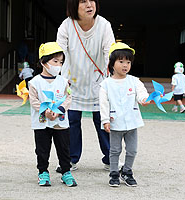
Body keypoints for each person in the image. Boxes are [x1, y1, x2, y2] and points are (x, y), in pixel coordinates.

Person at [56, 0, 115, 170]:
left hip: (99, 81)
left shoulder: (104, 25)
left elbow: (109, 52)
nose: (89, 5)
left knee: (101, 119)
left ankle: (110, 158)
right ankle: (71, 159)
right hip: (73, 80)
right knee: (72, 120)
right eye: (83, 1)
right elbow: (60, 54)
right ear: (74, 5)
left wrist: (110, 78)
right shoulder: (66, 26)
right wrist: (60, 78)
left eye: (92, 0)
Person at [99, 42, 150, 187]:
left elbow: (142, 93)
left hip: (132, 123)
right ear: (112, 63)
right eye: (121, 61)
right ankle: (114, 173)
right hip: (115, 123)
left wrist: (144, 99)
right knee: (114, 150)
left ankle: (127, 172)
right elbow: (104, 104)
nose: (125, 65)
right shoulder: (106, 84)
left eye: (128, 62)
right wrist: (105, 120)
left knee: (132, 150)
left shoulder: (134, 81)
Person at [28, 42, 77, 187]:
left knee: (64, 148)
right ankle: (43, 172)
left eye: (61, 62)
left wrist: (59, 110)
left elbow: (68, 97)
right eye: (55, 61)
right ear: (44, 62)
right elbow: (34, 100)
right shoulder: (34, 82)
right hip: (42, 122)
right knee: (42, 149)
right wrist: (45, 111)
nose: (58, 65)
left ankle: (66, 172)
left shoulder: (63, 82)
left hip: (60, 122)